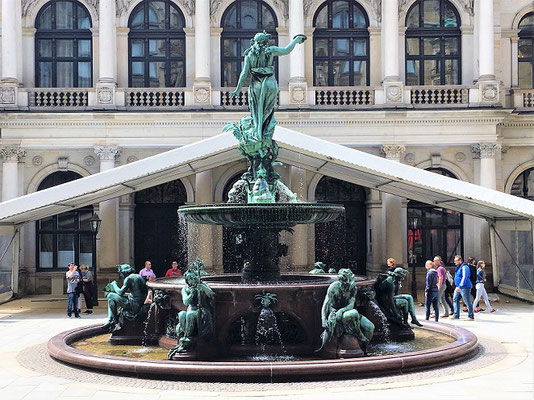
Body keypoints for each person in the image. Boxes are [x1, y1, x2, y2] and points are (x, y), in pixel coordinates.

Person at [450, 255, 474, 320]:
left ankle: (471, 316)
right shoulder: (458, 267)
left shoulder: (464, 267)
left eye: (456, 261)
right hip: (458, 287)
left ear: (460, 260)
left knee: (467, 301)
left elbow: (465, 277)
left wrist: (460, 286)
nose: (454, 262)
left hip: (464, 287)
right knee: (455, 299)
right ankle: (456, 315)